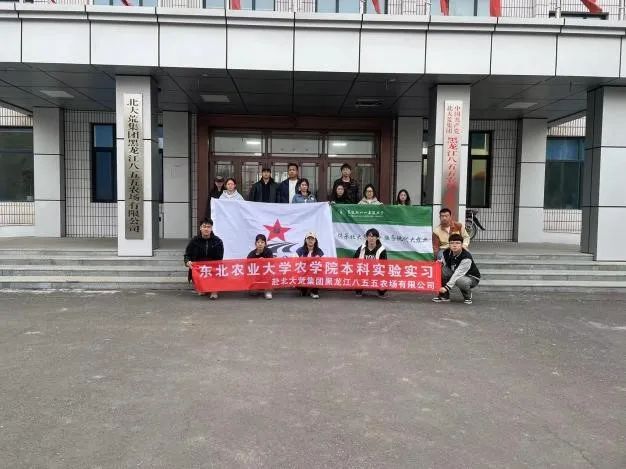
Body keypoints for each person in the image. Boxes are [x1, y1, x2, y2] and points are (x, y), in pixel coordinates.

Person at [432, 233, 481, 305]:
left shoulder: (466, 257)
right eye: (452, 243)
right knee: (441, 270)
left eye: (457, 243)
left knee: (460, 280)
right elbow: (442, 264)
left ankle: (467, 296)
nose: (454, 245)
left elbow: (458, 273)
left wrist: (447, 287)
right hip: (455, 272)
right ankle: (444, 296)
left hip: (471, 277)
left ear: (462, 245)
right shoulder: (446, 252)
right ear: (449, 244)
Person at [183, 218, 224, 299]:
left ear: (211, 228)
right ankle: (202, 287)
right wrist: (187, 262)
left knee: (218, 269)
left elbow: (220, 258)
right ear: (200, 228)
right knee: (202, 291)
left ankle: (214, 290)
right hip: (199, 268)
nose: (206, 229)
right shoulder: (194, 241)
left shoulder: (218, 241)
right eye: (204, 226)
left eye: (208, 227)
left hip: (212, 268)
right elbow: (187, 255)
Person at [353, 228, 388, 298]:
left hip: (376, 271)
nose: (371, 238)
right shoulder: (361, 248)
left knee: (385, 276)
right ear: (366, 237)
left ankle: (381, 292)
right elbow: (354, 260)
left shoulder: (382, 250)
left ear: (377, 238)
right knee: (355, 273)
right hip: (363, 270)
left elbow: (384, 265)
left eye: (373, 236)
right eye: (369, 236)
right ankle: (358, 290)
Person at [295, 232, 324, 299]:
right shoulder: (300, 250)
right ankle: (304, 289)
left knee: (319, 273)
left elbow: (324, 263)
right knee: (303, 292)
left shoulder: (319, 251)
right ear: (305, 240)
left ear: (315, 241)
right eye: (308, 239)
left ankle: (314, 291)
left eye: (312, 239)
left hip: (314, 273)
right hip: (303, 273)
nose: (310, 240)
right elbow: (294, 262)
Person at [247, 234, 274, 300]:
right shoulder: (251, 254)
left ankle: (267, 291)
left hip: (266, 273)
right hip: (256, 275)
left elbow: (272, 264)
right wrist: (257, 262)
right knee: (253, 293)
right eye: (258, 242)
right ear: (255, 244)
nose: (260, 244)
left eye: (262, 242)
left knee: (271, 274)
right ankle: (257, 288)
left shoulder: (269, 252)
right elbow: (247, 266)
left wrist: (265, 262)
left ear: (265, 244)